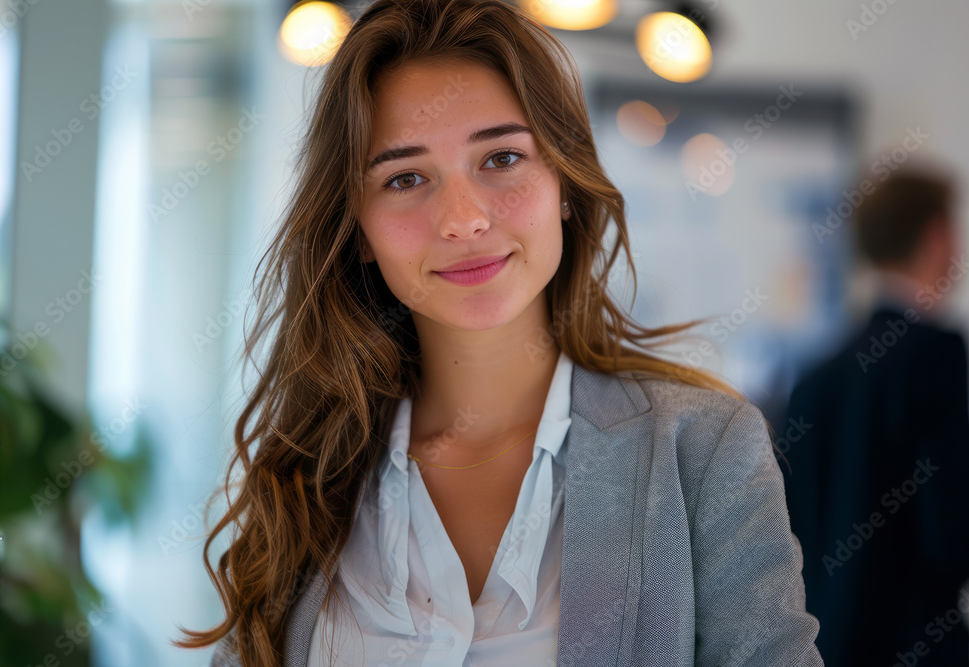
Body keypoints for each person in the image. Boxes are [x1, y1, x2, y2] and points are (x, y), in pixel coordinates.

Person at [176, 0, 824, 665]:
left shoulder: (702, 451)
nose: (463, 218)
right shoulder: (305, 475)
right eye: (405, 177)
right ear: (358, 230)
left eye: (502, 158)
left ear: (564, 184)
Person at [778, 166, 969, 666]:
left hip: (827, 645)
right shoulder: (937, 357)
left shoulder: (814, 379)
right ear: (937, 237)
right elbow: (948, 531)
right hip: (920, 642)